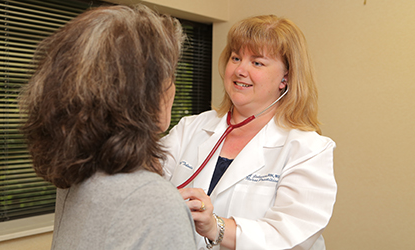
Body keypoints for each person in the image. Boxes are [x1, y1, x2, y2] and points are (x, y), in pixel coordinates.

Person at [20, 5, 196, 249]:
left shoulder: (77, 177)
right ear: (149, 96)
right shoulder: (156, 203)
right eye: (170, 76)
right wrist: (160, 209)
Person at [161, 14, 337, 250]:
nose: (239, 70)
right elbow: (145, 187)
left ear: (285, 77)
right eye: (236, 58)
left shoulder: (308, 149)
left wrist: (216, 227)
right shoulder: (190, 128)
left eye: (257, 62)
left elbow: (291, 234)